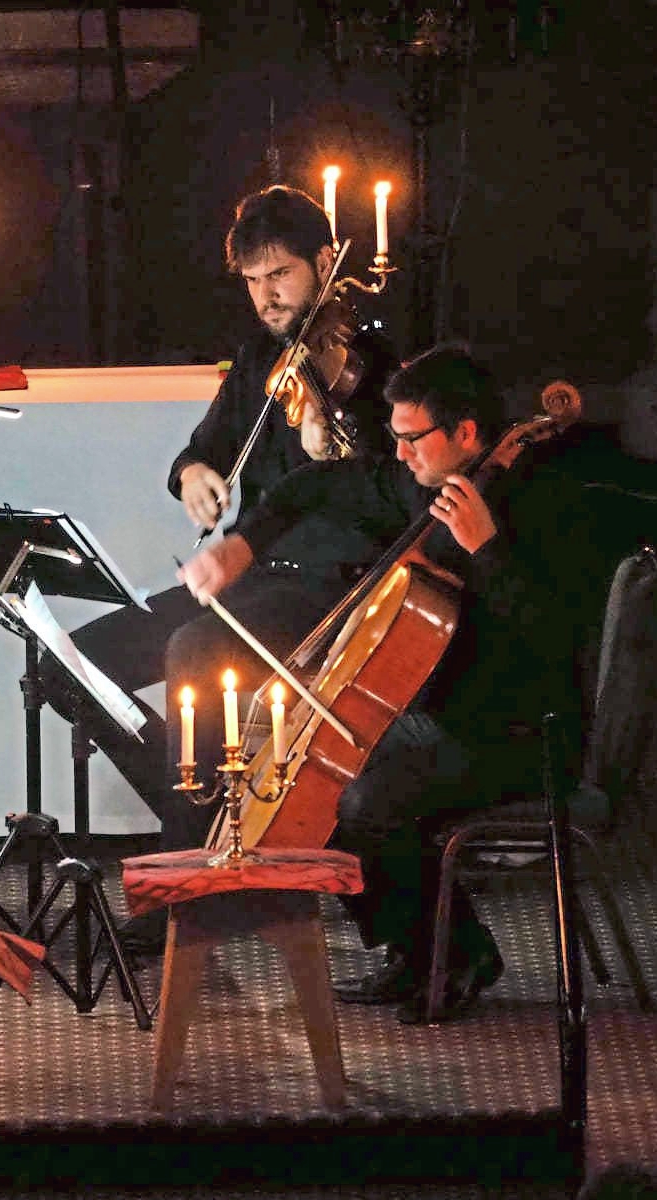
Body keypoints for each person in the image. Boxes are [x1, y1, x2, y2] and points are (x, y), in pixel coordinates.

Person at [179, 345, 616, 1022]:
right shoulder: (421, 484)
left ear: (466, 434)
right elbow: (311, 485)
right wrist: (240, 547)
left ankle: (462, 954)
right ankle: (413, 950)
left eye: (413, 438)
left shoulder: (547, 501)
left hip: (526, 733)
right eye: (396, 438)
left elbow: (555, 636)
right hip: (452, 717)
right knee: (316, 777)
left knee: (364, 800)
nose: (402, 453)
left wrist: (487, 548)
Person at [40, 185, 397, 851]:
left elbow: (387, 477)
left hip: (329, 586)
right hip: (251, 579)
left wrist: (337, 438)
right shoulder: (262, 356)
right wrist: (192, 476)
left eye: (282, 275)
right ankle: (202, 820)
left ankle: (187, 865)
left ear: (325, 261)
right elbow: (203, 450)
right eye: (254, 281)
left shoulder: (373, 357)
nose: (268, 298)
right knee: (67, 666)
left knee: (192, 652)